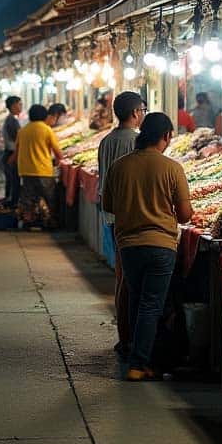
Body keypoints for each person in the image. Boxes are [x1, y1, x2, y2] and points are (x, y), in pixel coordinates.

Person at [102, 112, 192, 381]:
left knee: (136, 300)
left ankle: (135, 355)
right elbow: (186, 215)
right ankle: (139, 364)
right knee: (152, 305)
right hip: (161, 246)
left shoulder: (119, 167)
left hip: (128, 245)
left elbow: (108, 206)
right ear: (166, 136)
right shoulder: (172, 168)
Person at [97, 91, 146, 358]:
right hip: (132, 217)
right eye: (143, 110)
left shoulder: (106, 141)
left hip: (113, 216)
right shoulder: (137, 142)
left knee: (121, 277)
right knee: (130, 280)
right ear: (135, 112)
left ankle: (123, 335)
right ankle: (129, 337)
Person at [12, 104, 64, 228]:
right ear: (44, 115)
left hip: (26, 170)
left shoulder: (22, 130)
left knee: (29, 198)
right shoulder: (46, 129)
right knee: (50, 198)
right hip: (43, 170)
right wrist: (59, 161)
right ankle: (52, 221)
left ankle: (28, 221)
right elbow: (57, 151)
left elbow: (17, 150)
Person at [2, 95, 23, 206]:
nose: (21, 107)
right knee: (13, 181)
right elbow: (17, 140)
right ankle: (11, 204)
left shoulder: (11, 119)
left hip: (11, 153)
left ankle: (10, 202)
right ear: (13, 106)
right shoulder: (12, 121)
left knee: (12, 181)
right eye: (19, 104)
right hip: (12, 154)